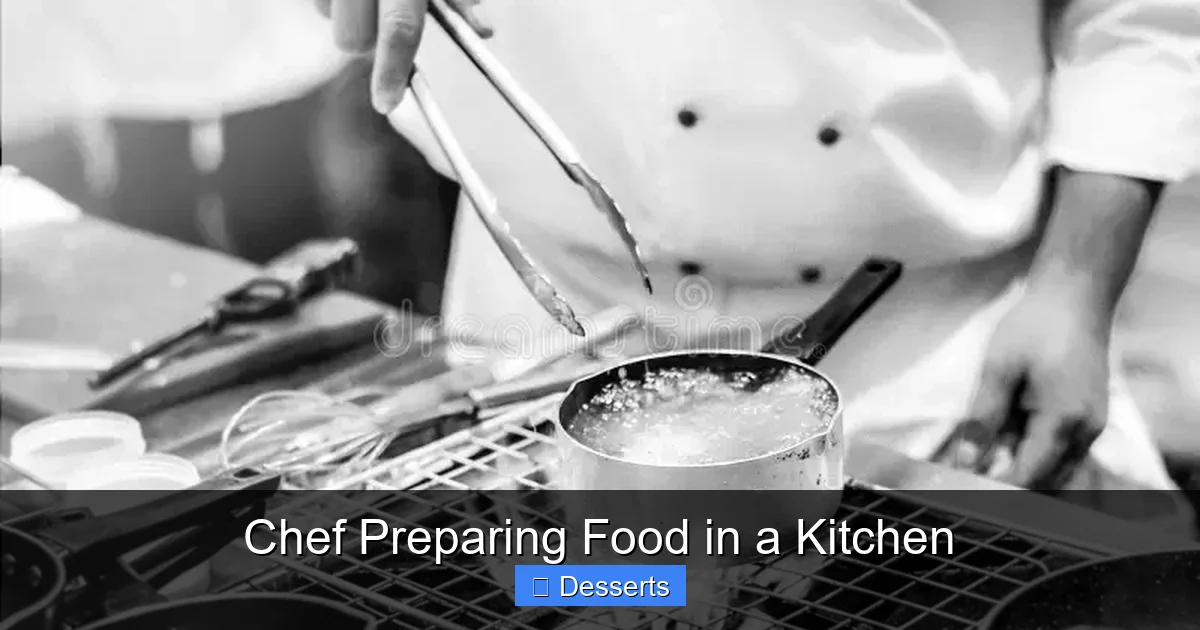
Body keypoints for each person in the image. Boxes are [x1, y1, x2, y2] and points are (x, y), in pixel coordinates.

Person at [320, 0, 1200, 528]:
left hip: (920, 366)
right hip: (543, 326)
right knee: (548, 593)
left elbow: (1142, 15)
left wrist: (1077, 286)